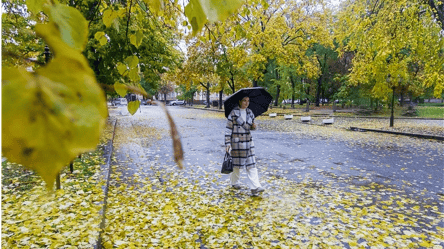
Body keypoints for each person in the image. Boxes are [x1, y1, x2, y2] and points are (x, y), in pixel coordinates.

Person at [225, 96, 265, 195]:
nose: (246, 103)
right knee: (236, 166)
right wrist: (227, 143)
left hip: (249, 142)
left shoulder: (250, 112)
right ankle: (234, 182)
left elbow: (250, 127)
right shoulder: (234, 113)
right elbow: (228, 129)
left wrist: (254, 127)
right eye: (244, 100)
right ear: (239, 101)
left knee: (252, 165)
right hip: (237, 143)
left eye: (248, 101)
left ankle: (255, 187)